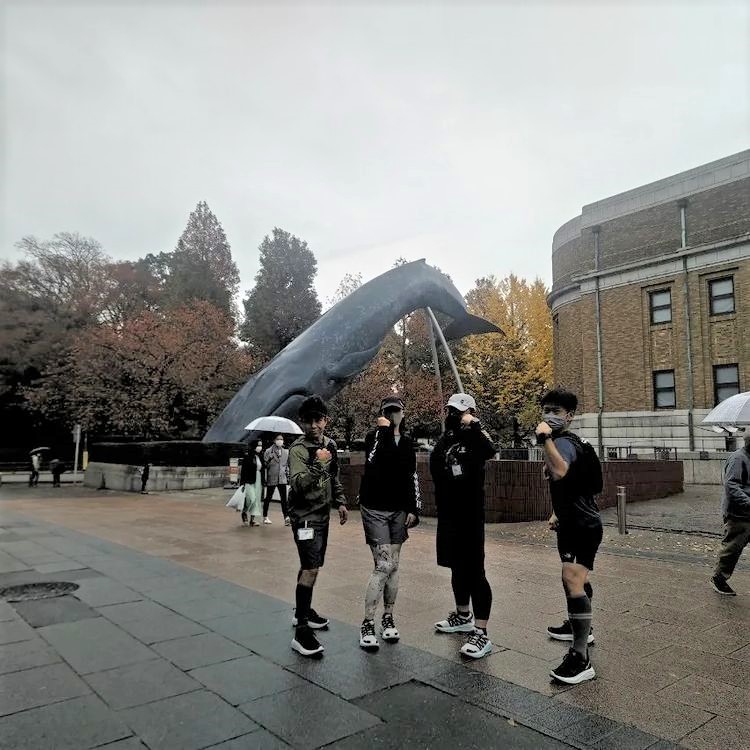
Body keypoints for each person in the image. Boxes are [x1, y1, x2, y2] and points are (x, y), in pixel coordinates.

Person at [538, 388, 602, 685]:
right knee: (574, 580)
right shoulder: (575, 441)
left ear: (570, 416)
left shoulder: (562, 442)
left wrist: (544, 439)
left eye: (556, 411)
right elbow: (576, 484)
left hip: (581, 526)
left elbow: (561, 471)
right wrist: (557, 512)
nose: (549, 416)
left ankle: (580, 657)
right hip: (572, 521)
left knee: (572, 579)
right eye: (546, 410)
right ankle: (579, 628)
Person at [430, 392, 496, 660]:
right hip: (449, 513)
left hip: (470, 514)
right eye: (451, 411)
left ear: (470, 412)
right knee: (456, 566)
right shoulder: (447, 438)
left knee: (475, 571)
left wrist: (474, 426)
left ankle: (481, 632)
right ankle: (462, 615)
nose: (454, 416)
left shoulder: (476, 438)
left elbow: (490, 449)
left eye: (460, 412)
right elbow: (436, 464)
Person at [357, 395, 421, 651]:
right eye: (389, 411)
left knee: (394, 566)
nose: (394, 415)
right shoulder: (373, 437)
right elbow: (372, 462)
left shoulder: (407, 441)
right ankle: (367, 623)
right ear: (382, 413)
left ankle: (388, 617)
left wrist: (414, 508)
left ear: (403, 414)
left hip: (398, 509)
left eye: (397, 411)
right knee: (383, 565)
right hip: (375, 508)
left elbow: (412, 474)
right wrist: (383, 431)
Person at [288, 395, 348, 657]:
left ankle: (303, 611)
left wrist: (341, 502)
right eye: (308, 421)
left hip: (322, 516)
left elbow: (333, 477)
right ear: (302, 423)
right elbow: (298, 484)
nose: (313, 425)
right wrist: (318, 464)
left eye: (317, 420)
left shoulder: (330, 444)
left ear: (326, 420)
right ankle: (301, 631)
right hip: (305, 517)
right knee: (311, 568)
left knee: (310, 566)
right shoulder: (298, 450)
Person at [711, 429, 750, 596]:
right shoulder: (738, 458)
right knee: (733, 547)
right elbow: (731, 486)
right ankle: (719, 578)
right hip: (738, 514)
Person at [263, 435, 290, 526]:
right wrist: (269, 458)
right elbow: (265, 465)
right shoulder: (268, 451)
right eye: (278, 439)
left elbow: (286, 465)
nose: (280, 441)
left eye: (281, 439)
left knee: (284, 499)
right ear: (274, 440)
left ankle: (286, 517)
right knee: (268, 497)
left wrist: (287, 474)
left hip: (282, 478)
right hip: (272, 477)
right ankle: (265, 516)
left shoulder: (285, 452)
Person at [239, 441, 265, 527]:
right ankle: (244, 512)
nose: (260, 447)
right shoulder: (248, 456)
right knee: (251, 498)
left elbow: (262, 469)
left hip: (258, 479)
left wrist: (263, 481)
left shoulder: (260, 456)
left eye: (261, 445)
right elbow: (243, 471)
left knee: (256, 499)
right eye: (258, 445)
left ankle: (252, 520)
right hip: (249, 480)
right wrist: (242, 483)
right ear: (254, 446)